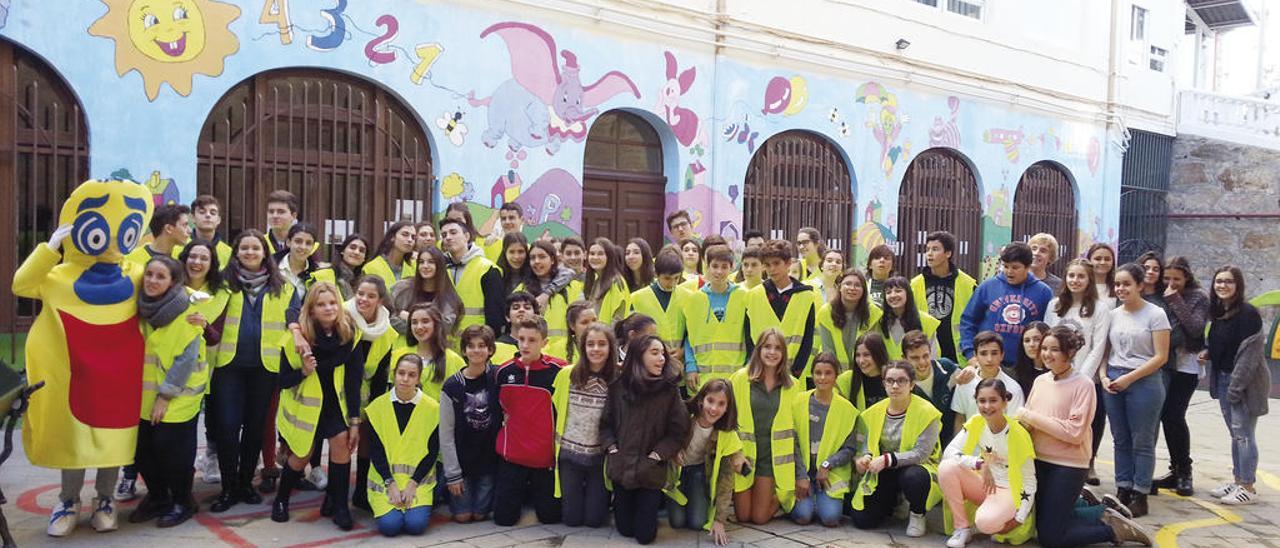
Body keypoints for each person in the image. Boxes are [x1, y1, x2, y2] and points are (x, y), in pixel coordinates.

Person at [1014, 326, 1152, 547]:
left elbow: (1074, 433)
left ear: (1070, 353)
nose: (1047, 354)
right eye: (1044, 348)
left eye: (1055, 349)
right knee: (1038, 525)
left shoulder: (1084, 385)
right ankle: (1095, 509)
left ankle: (1112, 529)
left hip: (1067, 465)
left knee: (1052, 538)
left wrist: (1030, 417)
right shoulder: (1041, 381)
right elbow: (1028, 423)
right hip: (1038, 461)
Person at [207, 230, 302, 513]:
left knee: (255, 429)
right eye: (244, 248)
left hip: (265, 367)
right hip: (228, 366)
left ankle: (246, 483)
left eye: (256, 248)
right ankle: (228, 488)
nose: (250, 253)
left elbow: (293, 320)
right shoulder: (221, 284)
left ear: (265, 253)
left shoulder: (284, 287)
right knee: (227, 427)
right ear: (236, 253)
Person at [269, 282, 363, 530]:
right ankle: (281, 499)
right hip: (306, 410)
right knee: (300, 457)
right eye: (321, 304)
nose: (328, 308)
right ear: (310, 311)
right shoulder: (295, 341)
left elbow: (354, 382)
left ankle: (340, 506)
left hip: (335, 405)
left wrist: (355, 421)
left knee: (341, 446)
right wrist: (303, 371)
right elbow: (282, 381)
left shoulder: (350, 336)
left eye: (332, 303)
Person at [128, 256, 207, 528]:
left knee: (172, 452)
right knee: (142, 452)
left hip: (179, 394)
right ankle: (159, 496)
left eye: (160, 277)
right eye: (149, 274)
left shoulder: (188, 311)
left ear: (173, 282)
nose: (151, 280)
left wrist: (165, 396)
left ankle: (183, 501)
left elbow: (186, 359)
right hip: (146, 395)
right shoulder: (141, 307)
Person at [601, 335, 691, 544]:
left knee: (645, 536)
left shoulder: (669, 390)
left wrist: (657, 455)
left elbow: (678, 431)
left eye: (663, 354)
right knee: (625, 530)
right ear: (638, 356)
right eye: (654, 353)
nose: (661, 359)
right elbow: (605, 424)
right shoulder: (618, 387)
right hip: (622, 470)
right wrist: (612, 449)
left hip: (650, 472)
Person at [1103, 263, 1171, 517]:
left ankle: (1140, 493)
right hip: (1113, 379)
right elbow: (1105, 351)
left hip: (1144, 381)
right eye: (1118, 284)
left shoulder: (1156, 314)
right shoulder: (1112, 314)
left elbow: (1161, 356)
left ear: (1140, 286)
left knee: (1142, 441)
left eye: (1127, 284)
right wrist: (1103, 376)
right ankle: (1122, 488)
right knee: (1120, 439)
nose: (1121, 289)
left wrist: (1130, 378)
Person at [939, 379, 1037, 547]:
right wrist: (979, 463)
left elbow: (1029, 480)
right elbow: (949, 452)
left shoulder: (1018, 434)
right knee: (946, 468)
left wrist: (1019, 518)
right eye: (982, 401)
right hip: (986, 483)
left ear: (1005, 402)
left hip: (1009, 490)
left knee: (985, 523)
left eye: (993, 400)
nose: (987, 406)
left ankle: (991, 516)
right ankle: (962, 529)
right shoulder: (976, 422)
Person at [849, 362, 942, 537]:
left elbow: (921, 454)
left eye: (901, 381)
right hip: (884, 471)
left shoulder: (928, 413)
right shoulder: (872, 413)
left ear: (912, 384)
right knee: (862, 520)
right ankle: (893, 502)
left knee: (914, 478)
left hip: (917, 468)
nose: (895, 386)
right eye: (890, 381)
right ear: (883, 384)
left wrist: (886, 459)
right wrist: (863, 459)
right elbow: (864, 447)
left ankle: (917, 513)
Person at [1203, 265, 1268, 506]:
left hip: (1243, 383)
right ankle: (1238, 480)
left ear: (1238, 285)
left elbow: (1250, 356)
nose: (1222, 285)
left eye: (1228, 281)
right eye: (1218, 281)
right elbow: (1223, 345)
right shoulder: (1220, 312)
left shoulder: (1248, 314)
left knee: (1244, 435)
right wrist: (1208, 353)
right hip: (1223, 378)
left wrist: (1235, 387)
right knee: (1235, 434)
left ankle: (1247, 486)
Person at [493, 317, 567, 526]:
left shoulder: (559, 371)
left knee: (551, 519)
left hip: (544, 459)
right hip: (512, 456)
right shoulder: (503, 372)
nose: (525, 345)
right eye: (521, 339)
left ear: (544, 342)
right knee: (503, 520)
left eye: (532, 340)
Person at [1045, 258, 1112, 486]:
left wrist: (1080, 378)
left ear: (1089, 280)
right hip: (1057, 375)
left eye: (1081, 276)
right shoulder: (1055, 305)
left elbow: (1098, 346)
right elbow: (1048, 339)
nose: (1075, 280)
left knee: (1085, 425)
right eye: (1071, 276)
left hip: (1084, 379)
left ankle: (1088, 463)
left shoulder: (1100, 309)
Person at [730, 328, 805, 525]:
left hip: (771, 462)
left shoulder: (794, 386)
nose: (772, 352)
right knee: (743, 516)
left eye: (777, 348)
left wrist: (801, 475)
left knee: (759, 518)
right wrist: (735, 454)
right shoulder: (740, 378)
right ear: (758, 349)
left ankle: (780, 499)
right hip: (745, 458)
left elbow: (797, 433)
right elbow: (727, 421)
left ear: (784, 354)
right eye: (767, 347)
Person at [364, 354, 441, 537]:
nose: (405, 379)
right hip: (384, 482)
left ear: (419, 378)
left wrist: (413, 484)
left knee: (416, 526)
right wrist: (390, 484)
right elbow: (376, 452)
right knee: (390, 527)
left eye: (412, 375)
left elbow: (432, 453)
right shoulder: (377, 407)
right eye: (401, 373)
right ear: (394, 374)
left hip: (419, 482)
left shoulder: (433, 409)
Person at [552, 322, 620, 528]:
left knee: (594, 521)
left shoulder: (618, 379)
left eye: (602, 344)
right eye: (591, 344)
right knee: (571, 520)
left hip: (600, 458)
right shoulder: (567, 374)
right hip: (569, 455)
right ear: (583, 347)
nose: (596, 349)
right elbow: (553, 410)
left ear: (610, 348)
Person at [1151, 256, 1208, 496]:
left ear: (1187, 277)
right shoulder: (1159, 293)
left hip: (1187, 363)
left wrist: (1174, 298)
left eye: (1177, 279)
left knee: (1175, 415)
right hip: (1166, 361)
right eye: (1167, 278)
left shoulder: (1198, 297)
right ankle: (1175, 469)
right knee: (1165, 416)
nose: (1172, 283)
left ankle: (1185, 471)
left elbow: (1194, 327)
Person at [665, 379, 744, 545]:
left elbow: (726, 479)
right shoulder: (684, 416)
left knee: (697, 523)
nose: (714, 408)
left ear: (727, 407)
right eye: (710, 401)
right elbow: (663, 433)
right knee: (677, 522)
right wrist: (672, 449)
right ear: (701, 400)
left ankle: (699, 499)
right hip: (675, 474)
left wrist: (719, 520)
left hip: (698, 473)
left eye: (721, 404)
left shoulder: (726, 434)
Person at [180, 240, 232, 486]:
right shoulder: (172, 285)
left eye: (204, 258)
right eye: (193, 256)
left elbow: (215, 336)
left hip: (208, 364)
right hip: (170, 365)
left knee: (213, 414)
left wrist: (203, 326)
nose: (197, 262)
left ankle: (211, 456)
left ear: (212, 264)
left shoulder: (220, 294)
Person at [345, 275, 399, 513]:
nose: (363, 300)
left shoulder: (387, 332)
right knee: (340, 443)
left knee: (367, 439)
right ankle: (333, 497)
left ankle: (360, 492)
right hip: (338, 392)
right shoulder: (343, 320)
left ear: (380, 301)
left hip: (367, 394)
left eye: (371, 296)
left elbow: (380, 375)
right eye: (360, 294)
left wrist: (374, 411)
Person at [441, 325, 502, 523]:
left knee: (480, 515)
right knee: (463, 517)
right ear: (464, 350)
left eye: (482, 345)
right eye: (471, 346)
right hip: (462, 461)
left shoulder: (497, 377)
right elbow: (446, 433)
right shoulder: (452, 385)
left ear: (490, 350)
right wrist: (452, 474)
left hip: (488, 460)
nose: (476, 350)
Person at [959, 242, 1053, 370]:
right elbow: (968, 321)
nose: (1009, 272)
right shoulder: (987, 287)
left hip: (1025, 366)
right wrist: (970, 354)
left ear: (1027, 267)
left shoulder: (1043, 292)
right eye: (1005, 266)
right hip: (989, 363)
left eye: (1015, 267)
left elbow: (1048, 329)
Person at [790, 353, 857, 528]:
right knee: (803, 517)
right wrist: (801, 476)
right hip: (802, 473)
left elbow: (849, 449)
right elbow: (792, 443)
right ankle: (808, 499)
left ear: (836, 376)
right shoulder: (798, 402)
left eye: (828, 373)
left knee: (830, 519)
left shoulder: (847, 410)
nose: (822, 377)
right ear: (812, 374)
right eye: (818, 372)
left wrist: (827, 464)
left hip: (829, 476)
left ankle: (818, 499)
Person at [745, 240, 817, 385]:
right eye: (767, 264)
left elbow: (807, 340)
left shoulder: (806, 296)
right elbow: (748, 339)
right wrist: (757, 369)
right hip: (760, 375)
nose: (772, 269)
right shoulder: (753, 295)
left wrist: (795, 373)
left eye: (776, 263)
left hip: (792, 375)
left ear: (788, 263)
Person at [682, 245, 750, 388]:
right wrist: (690, 367)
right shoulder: (694, 299)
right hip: (702, 378)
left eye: (724, 267)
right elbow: (688, 337)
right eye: (715, 266)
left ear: (731, 268)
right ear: (707, 267)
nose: (719, 271)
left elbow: (751, 336)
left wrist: (748, 368)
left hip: (735, 378)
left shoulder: (744, 297)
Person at [911, 231, 977, 363]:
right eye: (927, 249)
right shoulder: (915, 284)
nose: (929, 253)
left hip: (960, 355)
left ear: (948, 253)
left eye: (935, 249)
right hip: (927, 353)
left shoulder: (968, 283)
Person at [630, 250, 694, 371]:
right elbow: (632, 336)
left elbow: (693, 333)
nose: (672, 283)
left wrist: (683, 351)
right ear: (656, 274)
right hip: (647, 367)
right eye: (667, 278)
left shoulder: (689, 297)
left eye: (676, 278)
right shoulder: (637, 298)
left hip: (678, 366)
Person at [440, 217, 505, 333]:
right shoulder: (442, 269)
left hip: (477, 345)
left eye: (453, 233)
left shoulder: (487, 269)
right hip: (447, 344)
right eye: (444, 235)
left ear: (467, 236)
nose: (448, 237)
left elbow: (495, 317)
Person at [952, 331, 1025, 435]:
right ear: (975, 355)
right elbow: (960, 418)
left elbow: (1014, 427)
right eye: (983, 353)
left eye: (994, 353)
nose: (989, 359)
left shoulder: (1013, 388)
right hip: (970, 448)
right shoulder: (965, 382)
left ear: (1002, 355)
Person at [392, 304, 466, 401]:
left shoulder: (454, 360)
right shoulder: (397, 355)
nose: (419, 327)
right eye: (414, 322)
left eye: (425, 321)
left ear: (436, 324)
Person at [817, 268, 884, 373]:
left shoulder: (874, 313)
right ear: (839, 287)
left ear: (864, 290)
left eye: (857, 285)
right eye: (847, 284)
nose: (852, 288)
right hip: (834, 372)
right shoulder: (826, 312)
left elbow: (874, 349)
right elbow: (828, 349)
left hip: (865, 372)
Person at [523, 241, 583, 357]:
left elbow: (582, 320)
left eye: (542, 257)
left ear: (552, 259)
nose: (537, 261)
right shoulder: (523, 289)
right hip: (534, 355)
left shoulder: (573, 287)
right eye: (532, 258)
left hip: (566, 353)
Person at [390, 247, 462, 339]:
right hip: (404, 350)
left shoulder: (448, 297)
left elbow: (444, 327)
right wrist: (429, 324)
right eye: (421, 262)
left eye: (431, 262)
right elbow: (392, 319)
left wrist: (410, 317)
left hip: (435, 350)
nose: (425, 266)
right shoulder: (403, 288)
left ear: (439, 265)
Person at [903, 330, 960, 445]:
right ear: (904, 359)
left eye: (925, 356)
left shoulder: (947, 368)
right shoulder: (901, 384)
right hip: (923, 447)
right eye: (915, 358)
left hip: (953, 442)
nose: (922, 362)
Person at [881, 276, 941, 359]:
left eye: (898, 291)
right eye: (888, 292)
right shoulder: (880, 321)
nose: (893, 295)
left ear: (908, 294)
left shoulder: (926, 321)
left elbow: (933, 357)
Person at [277, 223, 336, 297]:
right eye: (298, 241)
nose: (303, 247)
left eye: (308, 243)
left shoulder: (319, 273)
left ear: (313, 246)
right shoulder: (272, 267)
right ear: (288, 242)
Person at [837, 332, 890, 411]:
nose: (861, 361)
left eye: (866, 355)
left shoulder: (893, 378)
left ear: (879, 354)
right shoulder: (846, 380)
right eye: (858, 355)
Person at [584, 237, 632, 324]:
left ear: (609, 257)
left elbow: (618, 318)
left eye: (600, 254)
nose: (595, 257)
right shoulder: (595, 281)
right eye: (592, 254)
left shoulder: (616, 282)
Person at [126, 203, 191, 266]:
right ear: (169, 229)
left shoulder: (184, 256)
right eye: (185, 225)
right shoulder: (131, 260)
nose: (190, 230)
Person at [364, 221, 417, 289]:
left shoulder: (414, 267)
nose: (410, 240)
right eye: (405, 234)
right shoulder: (371, 267)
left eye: (413, 237)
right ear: (392, 237)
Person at [492, 291, 539, 364]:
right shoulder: (496, 347)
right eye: (516, 307)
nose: (521, 310)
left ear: (536, 316)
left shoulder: (544, 347)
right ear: (507, 317)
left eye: (527, 307)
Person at [189, 195, 233, 266]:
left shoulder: (228, 252)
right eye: (202, 212)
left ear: (218, 220)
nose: (208, 215)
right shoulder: (178, 247)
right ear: (193, 218)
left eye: (213, 213)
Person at [1011, 321, 1050, 397]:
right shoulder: (1015, 374)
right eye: (1027, 340)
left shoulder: (1057, 373)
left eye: (1037, 339)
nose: (1031, 345)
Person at [332, 234, 371, 299]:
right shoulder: (327, 275)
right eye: (352, 247)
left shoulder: (366, 281)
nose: (356, 252)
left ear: (364, 258)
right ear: (342, 251)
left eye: (361, 251)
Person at [264, 190, 299, 256]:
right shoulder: (260, 243)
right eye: (271, 211)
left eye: (281, 212)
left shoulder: (304, 245)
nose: (275, 216)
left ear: (293, 216)